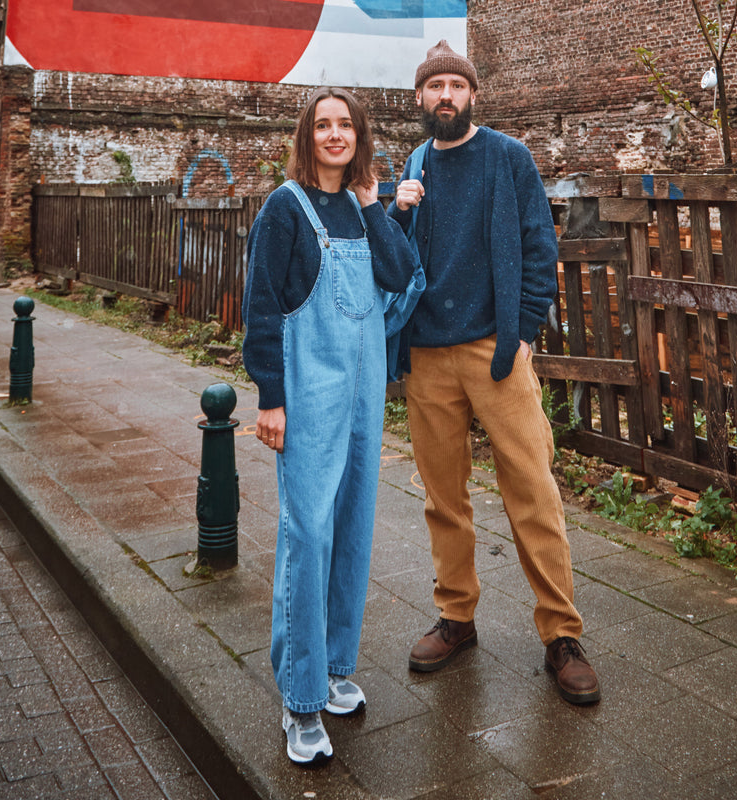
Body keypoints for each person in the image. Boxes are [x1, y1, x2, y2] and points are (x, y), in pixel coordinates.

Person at [387, 41, 601, 705]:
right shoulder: (416, 162)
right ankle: (457, 618)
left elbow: (541, 245)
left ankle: (561, 635)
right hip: (427, 354)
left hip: (495, 352)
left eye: (456, 84)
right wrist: (398, 212)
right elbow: (394, 262)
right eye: (434, 86)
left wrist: (525, 334)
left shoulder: (510, 157)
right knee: (442, 496)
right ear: (420, 99)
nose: (445, 95)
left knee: (532, 490)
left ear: (472, 94)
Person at [242, 86, 416, 765]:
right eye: (324, 125)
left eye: (346, 125)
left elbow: (402, 275)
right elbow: (261, 308)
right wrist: (270, 398)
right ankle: (300, 697)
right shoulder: (286, 209)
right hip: (308, 399)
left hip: (363, 399)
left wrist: (375, 206)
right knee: (307, 537)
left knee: (352, 530)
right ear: (306, 136)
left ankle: (337, 668)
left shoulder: (360, 205)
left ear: (360, 136)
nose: (335, 135)